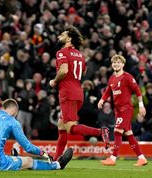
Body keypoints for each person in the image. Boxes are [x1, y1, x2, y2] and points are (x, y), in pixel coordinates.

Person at [49, 26, 109, 161]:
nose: (59, 36)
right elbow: (83, 72)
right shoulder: (80, 55)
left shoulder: (61, 52)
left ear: (69, 38)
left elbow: (64, 71)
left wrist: (54, 81)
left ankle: (101, 132)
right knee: (61, 125)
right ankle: (56, 158)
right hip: (78, 92)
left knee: (70, 127)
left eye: (62, 34)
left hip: (67, 93)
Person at [0, 98, 73, 171]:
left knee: (10, 157)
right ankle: (58, 165)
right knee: (29, 161)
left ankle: (15, 158)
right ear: (14, 110)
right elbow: (28, 147)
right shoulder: (11, 121)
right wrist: (43, 153)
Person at [98, 54, 148, 167]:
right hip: (117, 110)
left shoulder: (127, 77)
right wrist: (102, 100)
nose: (116, 64)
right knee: (129, 135)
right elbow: (107, 91)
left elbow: (137, 90)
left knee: (117, 132)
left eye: (118, 62)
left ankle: (113, 158)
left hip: (126, 109)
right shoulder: (112, 78)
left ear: (123, 64)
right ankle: (141, 158)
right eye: (114, 62)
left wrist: (141, 105)